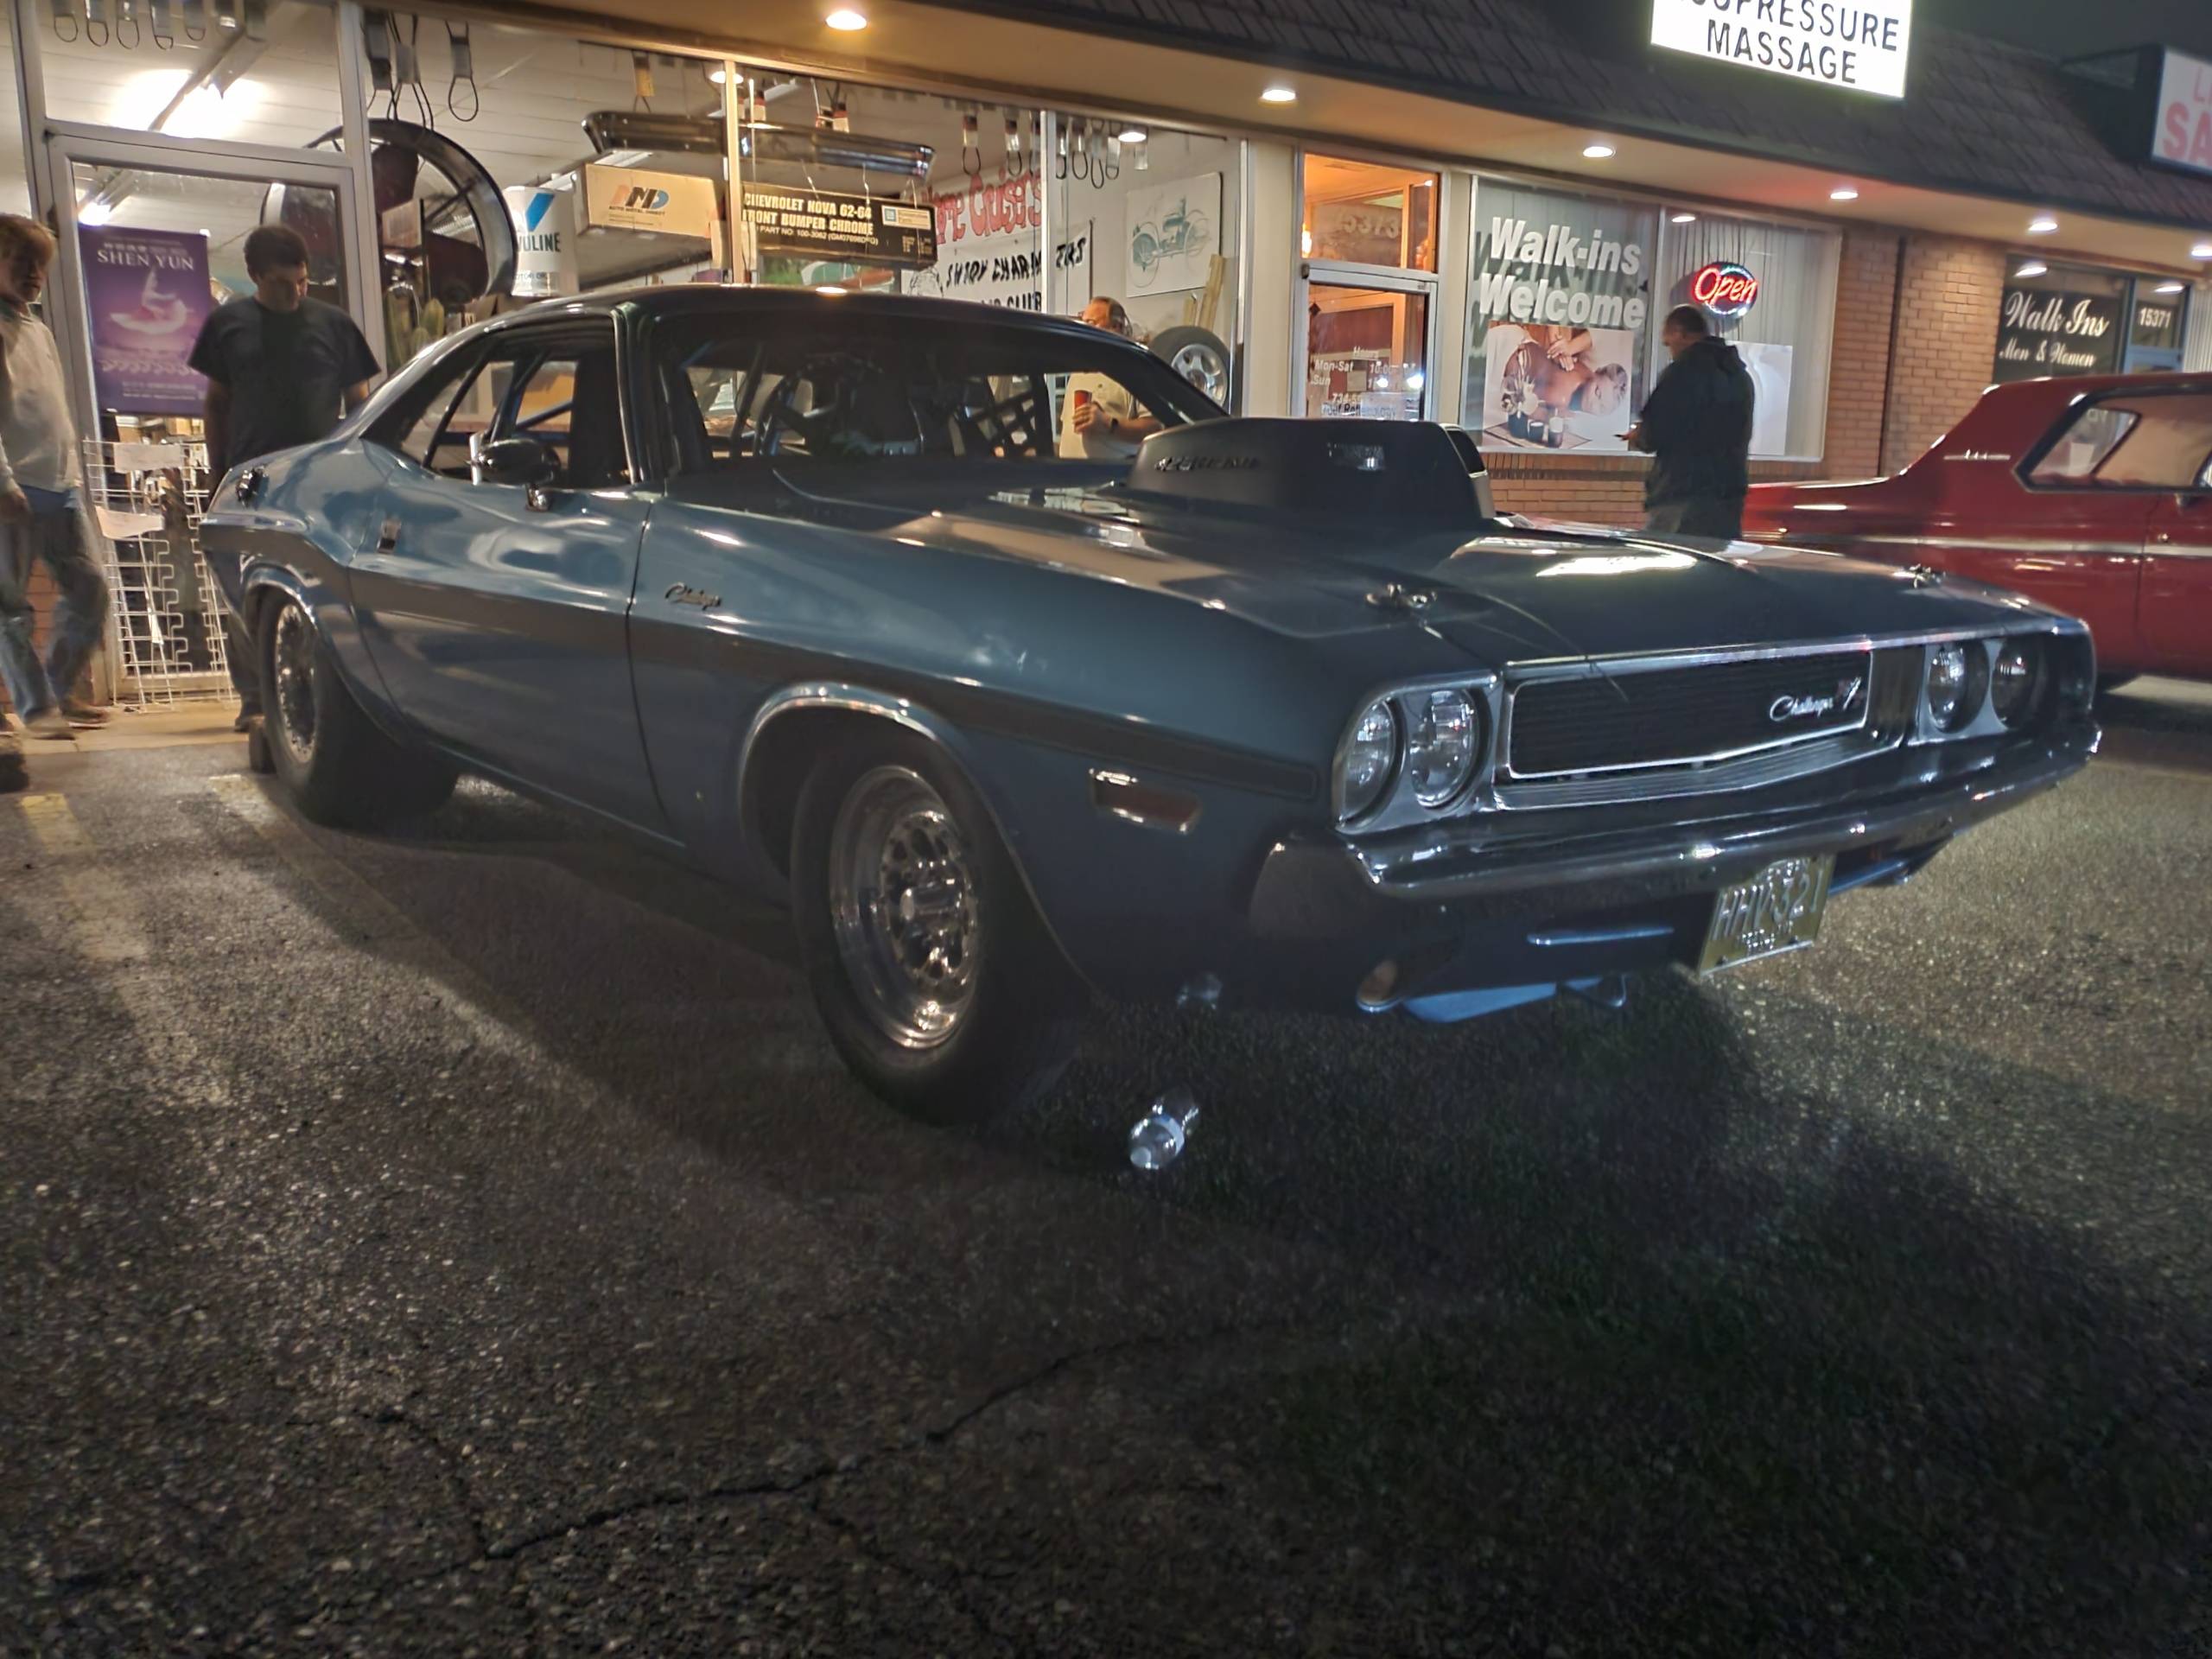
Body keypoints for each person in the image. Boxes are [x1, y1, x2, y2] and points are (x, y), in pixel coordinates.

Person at [188, 224, 380, 728]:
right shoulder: (227, 325)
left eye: (302, 282)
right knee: (245, 586)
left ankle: (318, 692)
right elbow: (216, 404)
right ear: (254, 276)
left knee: (317, 586)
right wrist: (217, 472)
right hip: (250, 476)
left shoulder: (334, 325)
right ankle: (255, 699)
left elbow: (360, 404)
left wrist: (358, 471)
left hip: (318, 480)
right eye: (280, 284)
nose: (294, 293)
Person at [0, 213, 111, 744]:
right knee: (10, 608)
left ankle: (57, 689)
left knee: (90, 590)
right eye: (22, 261)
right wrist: (3, 483)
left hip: (59, 485)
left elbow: (50, 411)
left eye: (40, 264)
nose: (34, 273)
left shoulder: (39, 330)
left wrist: (72, 476)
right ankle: (36, 706)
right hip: (14, 487)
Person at [1626, 303, 1754, 539]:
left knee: (1667, 559)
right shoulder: (1740, 377)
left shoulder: (1682, 373)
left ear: (1680, 334)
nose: (1670, 350)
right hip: (1728, 498)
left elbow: (1654, 432)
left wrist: (1638, 436)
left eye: (1668, 343)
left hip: (1681, 494)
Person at [1058, 296, 1163, 459]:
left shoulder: (1135, 370)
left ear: (1116, 327)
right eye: (1083, 322)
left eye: (1091, 323)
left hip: (1113, 474)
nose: (1083, 330)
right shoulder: (1080, 370)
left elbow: (1154, 428)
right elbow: (1069, 436)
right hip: (1068, 474)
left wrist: (1108, 424)